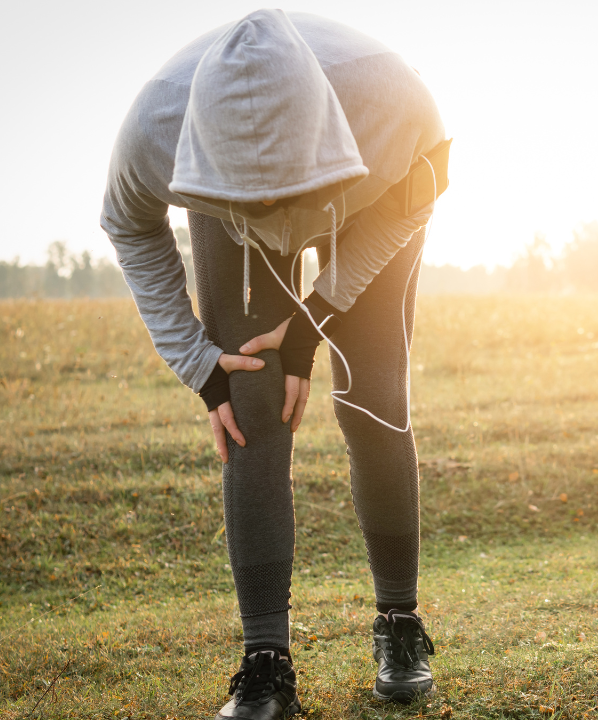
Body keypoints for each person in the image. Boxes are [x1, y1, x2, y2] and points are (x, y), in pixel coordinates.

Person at [101, 9, 448, 719]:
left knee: (371, 390)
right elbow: (128, 225)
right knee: (248, 401)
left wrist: (316, 318)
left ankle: (399, 624)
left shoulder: (393, 109)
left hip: (367, 190)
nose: (275, 217)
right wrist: (196, 362)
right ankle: (266, 661)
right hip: (216, 191)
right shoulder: (154, 132)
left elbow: (424, 186)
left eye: (281, 200)